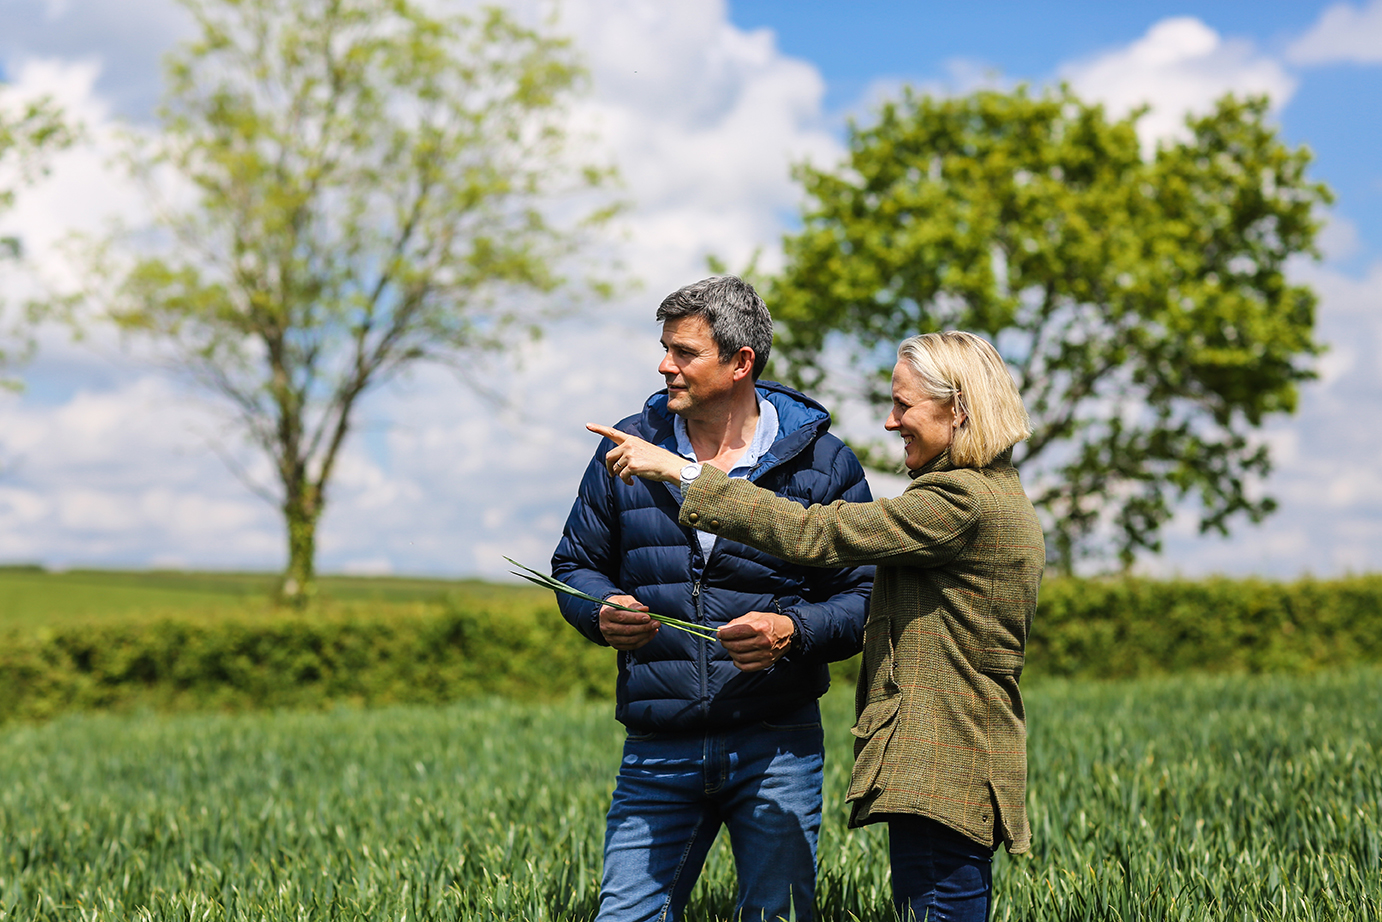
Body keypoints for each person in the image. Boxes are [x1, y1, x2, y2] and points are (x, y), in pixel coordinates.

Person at [591, 330, 1044, 922]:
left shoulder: (959, 502)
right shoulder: (994, 493)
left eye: (903, 405)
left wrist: (684, 474)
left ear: (957, 407)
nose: (889, 421)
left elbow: (815, 533)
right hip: (955, 760)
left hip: (944, 762)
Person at [552, 276, 874, 922]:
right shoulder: (625, 447)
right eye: (665, 348)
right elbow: (575, 566)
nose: (664, 365)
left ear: (740, 363)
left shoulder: (822, 465)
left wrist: (793, 630)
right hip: (657, 742)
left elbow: (863, 597)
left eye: (684, 352)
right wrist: (601, 609)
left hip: (776, 742)